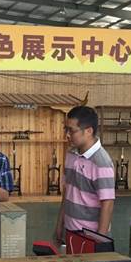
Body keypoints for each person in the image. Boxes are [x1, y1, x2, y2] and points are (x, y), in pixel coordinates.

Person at [55, 106, 115, 249]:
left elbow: (107, 203)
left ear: (88, 131)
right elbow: (67, 192)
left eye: (71, 130)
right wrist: (59, 224)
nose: (67, 135)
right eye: (66, 129)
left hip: (89, 236)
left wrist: (98, 242)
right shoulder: (71, 154)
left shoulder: (101, 162)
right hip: (70, 230)